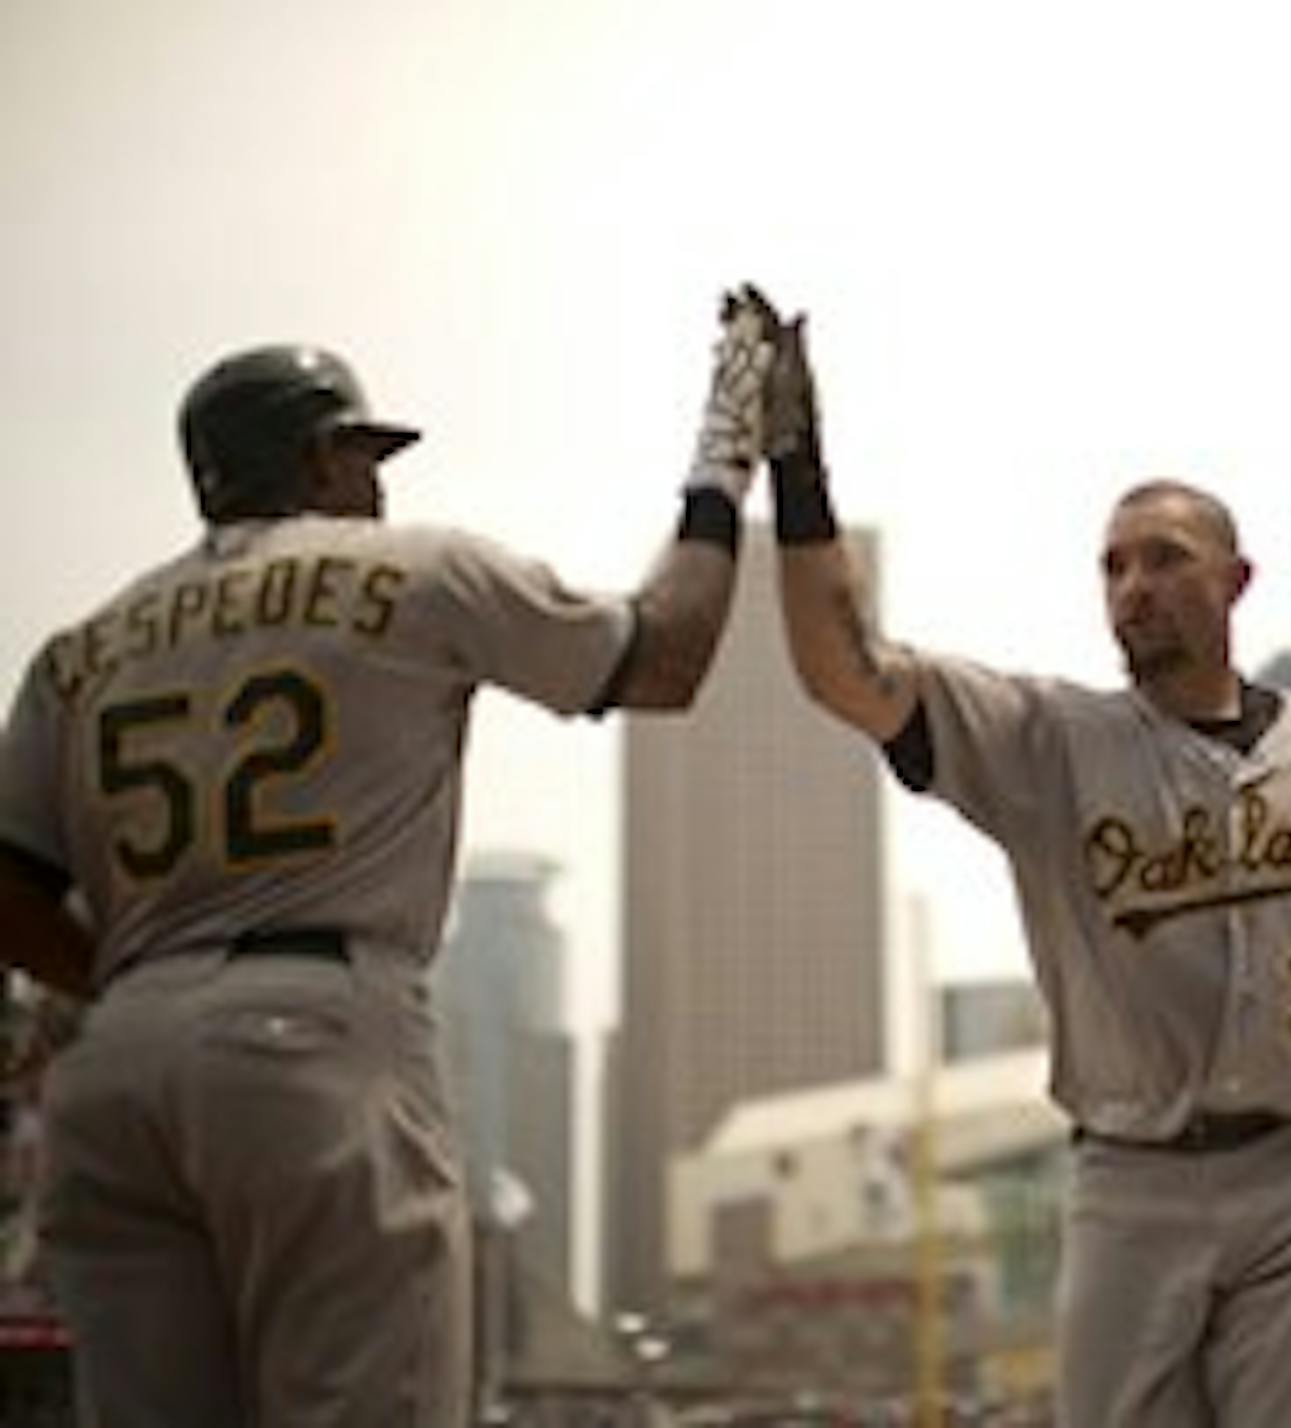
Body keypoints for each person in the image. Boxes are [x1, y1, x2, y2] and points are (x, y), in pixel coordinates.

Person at [742, 289, 1291, 1428]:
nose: (1132, 587)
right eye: (1113, 567)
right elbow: (848, 673)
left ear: (1235, 581)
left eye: (1165, 559)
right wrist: (799, 471)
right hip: (1132, 1179)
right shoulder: (1048, 741)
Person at [0, 291, 773, 1427]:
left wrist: (121, 987)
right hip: (313, 1034)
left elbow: (10, 890)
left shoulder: (78, 649)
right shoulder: (415, 572)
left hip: (117, 1065)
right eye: (362, 455)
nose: (375, 482)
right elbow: (668, 656)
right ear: (316, 458)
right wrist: (723, 459)